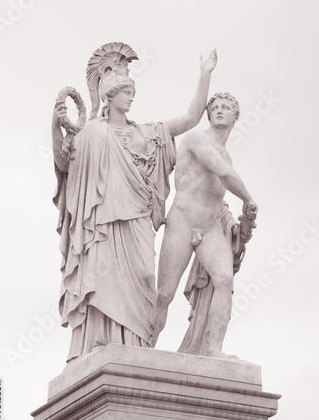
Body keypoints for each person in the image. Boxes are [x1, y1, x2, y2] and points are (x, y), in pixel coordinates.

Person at [51, 42, 217, 361]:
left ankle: (135, 348)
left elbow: (191, 117)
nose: (131, 97)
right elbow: (64, 164)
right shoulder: (91, 134)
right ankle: (99, 343)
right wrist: (54, 126)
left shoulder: (148, 133)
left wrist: (205, 73)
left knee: (144, 281)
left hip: (139, 225)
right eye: (126, 91)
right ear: (110, 96)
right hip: (102, 225)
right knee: (102, 281)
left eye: (132, 92)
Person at [155, 92, 258, 357]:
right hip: (182, 222)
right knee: (165, 294)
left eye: (227, 108)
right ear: (209, 114)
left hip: (209, 227)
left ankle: (214, 350)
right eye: (215, 107)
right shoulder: (196, 138)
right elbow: (222, 173)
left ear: (235, 118)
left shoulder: (229, 157)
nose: (220, 110)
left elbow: (218, 202)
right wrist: (247, 198)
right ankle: (144, 347)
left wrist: (241, 222)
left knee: (224, 280)